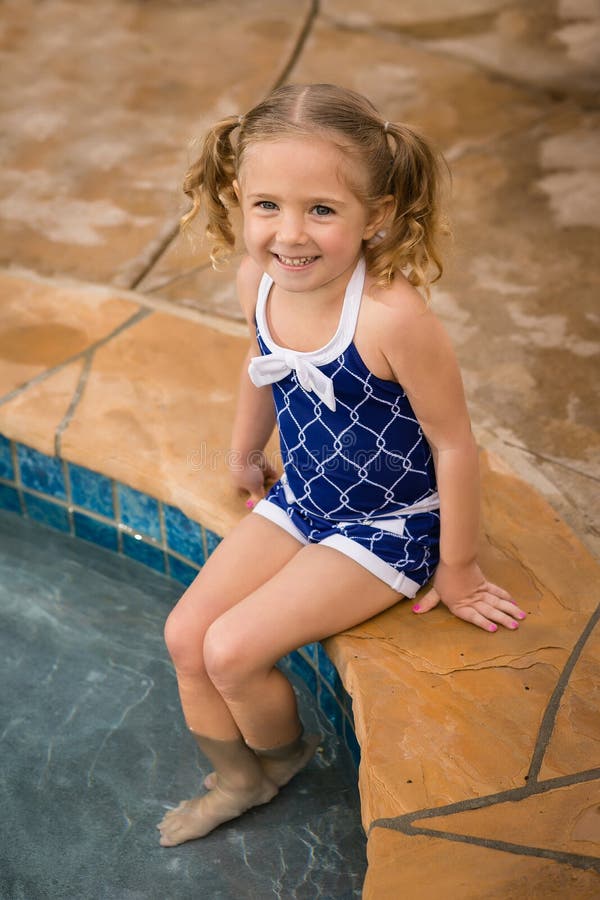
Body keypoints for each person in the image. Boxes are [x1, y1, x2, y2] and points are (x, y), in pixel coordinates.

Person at [157, 83, 526, 847]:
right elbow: (260, 362)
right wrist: (243, 449)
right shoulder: (257, 283)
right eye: (267, 206)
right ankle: (241, 777)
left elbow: (456, 445)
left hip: (390, 525)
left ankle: (289, 759)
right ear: (237, 199)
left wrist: (457, 568)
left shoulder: (393, 317)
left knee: (231, 651)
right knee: (185, 635)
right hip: (305, 497)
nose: (290, 235)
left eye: (321, 210)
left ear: (377, 216)